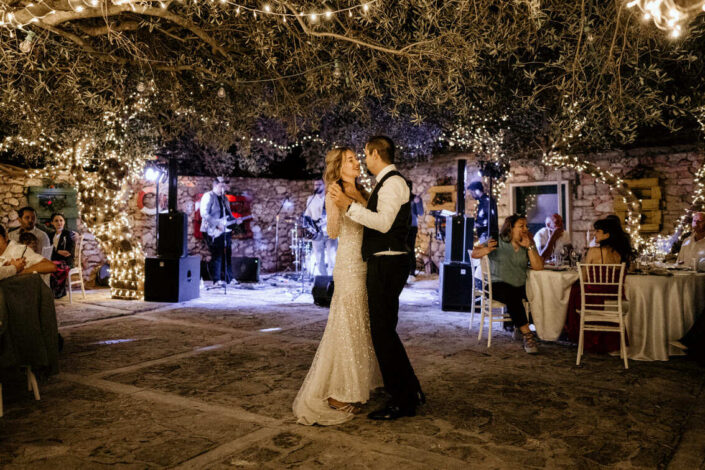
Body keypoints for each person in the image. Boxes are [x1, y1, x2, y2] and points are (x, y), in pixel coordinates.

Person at [330, 136, 424, 420]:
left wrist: (349, 206)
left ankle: (402, 400)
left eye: (364, 155)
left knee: (382, 333)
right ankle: (411, 390)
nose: (362, 160)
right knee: (385, 332)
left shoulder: (393, 182)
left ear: (373, 153)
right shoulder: (385, 183)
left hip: (388, 262)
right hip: (382, 262)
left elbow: (383, 223)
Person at [293, 147, 382, 426]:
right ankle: (337, 392)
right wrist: (338, 207)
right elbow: (332, 231)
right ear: (338, 167)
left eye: (356, 158)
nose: (357, 162)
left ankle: (355, 384)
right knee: (346, 324)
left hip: (366, 263)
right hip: (348, 265)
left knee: (360, 324)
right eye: (350, 160)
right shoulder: (335, 190)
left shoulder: (364, 190)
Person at [471, 214, 544, 354]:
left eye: (526, 226)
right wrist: (485, 250)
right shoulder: (498, 241)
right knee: (512, 295)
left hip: (519, 286)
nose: (525, 229)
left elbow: (538, 266)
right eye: (521, 226)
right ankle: (528, 335)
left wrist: (529, 247)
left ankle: (532, 328)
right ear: (510, 228)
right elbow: (474, 253)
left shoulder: (528, 243)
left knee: (532, 293)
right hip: (497, 285)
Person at [200, 177, 239, 286]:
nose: (224, 188)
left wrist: (236, 221)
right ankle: (216, 280)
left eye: (224, 186)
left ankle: (229, 278)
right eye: (222, 185)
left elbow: (229, 214)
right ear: (215, 185)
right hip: (213, 230)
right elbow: (204, 213)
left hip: (225, 229)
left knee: (228, 254)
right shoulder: (208, 196)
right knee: (217, 255)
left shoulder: (224, 199)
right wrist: (217, 224)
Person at [303, 179, 338, 276]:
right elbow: (307, 215)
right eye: (315, 185)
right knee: (319, 257)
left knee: (333, 257)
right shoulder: (310, 199)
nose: (316, 186)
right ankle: (323, 279)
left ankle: (332, 280)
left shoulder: (331, 198)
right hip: (317, 233)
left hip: (330, 232)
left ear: (324, 186)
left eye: (319, 184)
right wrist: (309, 226)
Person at [407, 194, 424, 279]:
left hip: (412, 227)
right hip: (400, 227)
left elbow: (421, 213)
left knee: (410, 249)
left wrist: (417, 203)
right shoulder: (400, 197)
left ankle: (411, 271)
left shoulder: (416, 198)